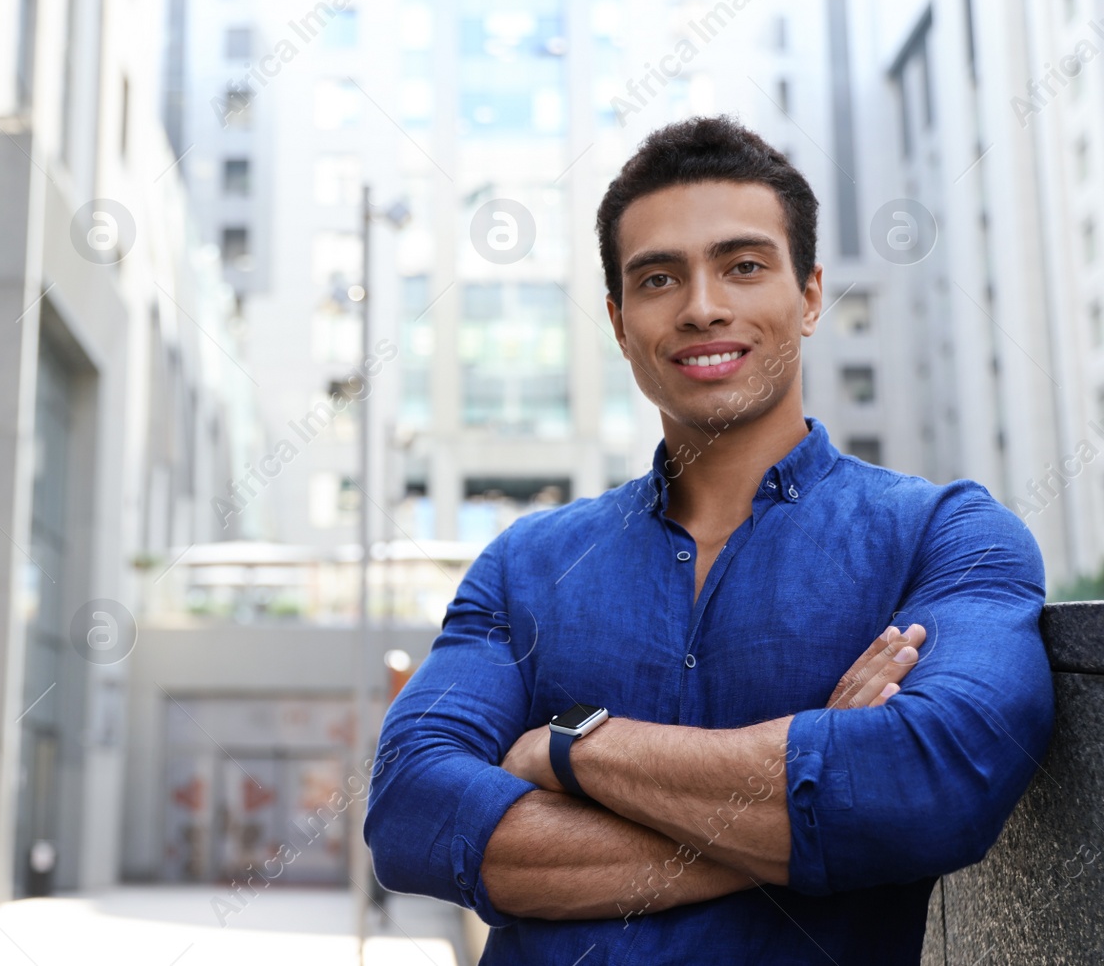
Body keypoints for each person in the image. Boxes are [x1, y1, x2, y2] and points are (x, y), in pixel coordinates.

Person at [364, 116, 1053, 965]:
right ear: (620, 324)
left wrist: (572, 744)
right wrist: (806, 803)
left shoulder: (947, 535)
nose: (702, 306)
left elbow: (928, 784)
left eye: (744, 265)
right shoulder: (526, 564)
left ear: (808, 295)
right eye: (659, 278)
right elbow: (412, 814)